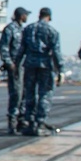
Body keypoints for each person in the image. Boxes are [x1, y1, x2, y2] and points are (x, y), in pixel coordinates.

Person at [17, 8, 63, 136]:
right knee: (45, 95)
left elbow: (21, 49)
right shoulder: (52, 31)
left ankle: (30, 123)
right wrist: (60, 70)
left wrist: (16, 65)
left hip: (30, 65)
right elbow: (56, 52)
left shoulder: (28, 29)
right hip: (45, 66)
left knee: (30, 95)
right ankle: (41, 123)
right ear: (49, 17)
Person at [0, 6, 29, 135]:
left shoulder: (23, 30)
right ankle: (12, 123)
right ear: (21, 16)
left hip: (25, 66)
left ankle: (22, 121)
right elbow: (3, 47)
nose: (27, 17)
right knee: (16, 94)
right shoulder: (10, 29)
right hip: (15, 67)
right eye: (25, 15)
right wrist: (9, 63)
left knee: (25, 95)